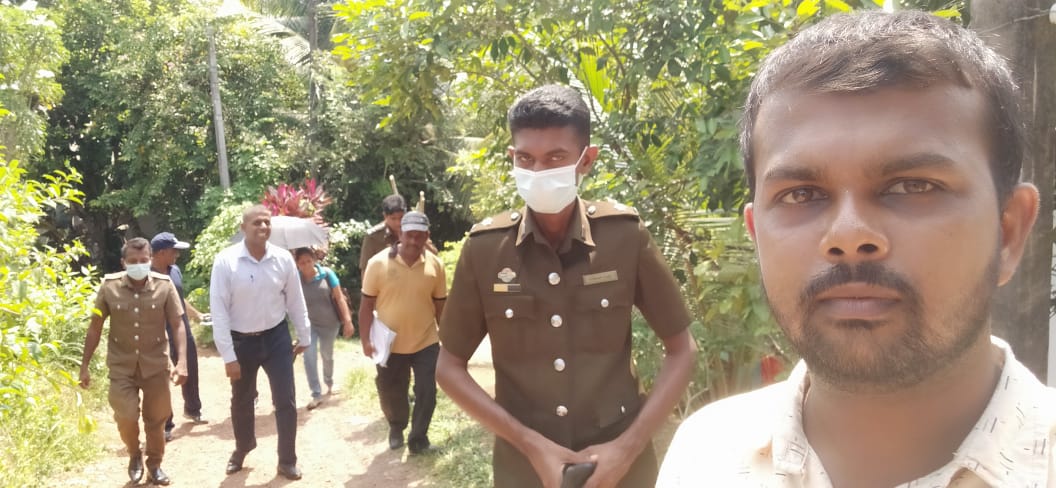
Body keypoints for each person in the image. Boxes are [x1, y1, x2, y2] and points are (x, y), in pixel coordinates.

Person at [657, 10, 1055, 487]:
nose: (848, 235)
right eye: (800, 194)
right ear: (757, 235)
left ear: (1008, 232)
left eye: (912, 186)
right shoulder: (706, 456)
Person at [436, 84, 696, 488]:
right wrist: (528, 443)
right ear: (512, 159)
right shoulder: (486, 250)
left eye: (555, 158)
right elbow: (449, 368)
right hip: (524, 468)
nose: (538, 172)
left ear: (586, 160)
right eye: (526, 158)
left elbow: (682, 350)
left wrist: (627, 449)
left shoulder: (624, 237)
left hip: (621, 468)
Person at [209, 204, 311, 481]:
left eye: (267, 222)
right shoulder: (226, 261)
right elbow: (218, 311)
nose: (263, 227)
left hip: (276, 338)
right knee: (242, 400)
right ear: (244, 228)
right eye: (257, 223)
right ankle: (243, 448)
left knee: (286, 400)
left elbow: (295, 300)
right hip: (241, 342)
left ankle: (287, 460)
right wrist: (228, 356)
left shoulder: (282, 259)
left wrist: (304, 335)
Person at [78, 237, 188, 485]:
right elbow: (95, 328)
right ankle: (134, 454)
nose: (138, 265)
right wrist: (84, 365)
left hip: (156, 365)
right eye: (132, 261)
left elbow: (178, 324)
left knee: (156, 419)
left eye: (143, 260)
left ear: (150, 260)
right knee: (125, 416)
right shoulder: (109, 287)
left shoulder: (164, 285)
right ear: (123, 262)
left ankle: (155, 464)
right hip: (121, 366)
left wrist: (181, 362)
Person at [359, 211, 447, 454]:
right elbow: (366, 305)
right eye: (409, 235)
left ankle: (419, 439)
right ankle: (396, 426)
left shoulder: (436, 266)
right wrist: (366, 339)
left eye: (419, 236)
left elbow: (441, 306)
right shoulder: (377, 263)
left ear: (426, 236)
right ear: (400, 234)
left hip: (426, 341)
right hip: (389, 343)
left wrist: (448, 341)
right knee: (391, 391)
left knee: (426, 392)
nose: (413, 241)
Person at [150, 231, 208, 442]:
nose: (177, 255)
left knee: (189, 368)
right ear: (162, 252)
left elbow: (179, 300)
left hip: (181, 329)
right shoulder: (146, 276)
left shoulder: (174, 271)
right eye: (174, 251)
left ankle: (193, 409)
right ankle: (166, 423)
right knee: (161, 378)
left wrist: (197, 315)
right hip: (157, 332)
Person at [293, 247, 355, 409]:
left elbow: (340, 298)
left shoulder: (327, 274)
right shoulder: (295, 279)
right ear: (297, 264)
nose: (306, 265)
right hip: (309, 325)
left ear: (314, 260)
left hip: (330, 324)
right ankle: (316, 393)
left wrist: (348, 321)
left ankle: (329, 381)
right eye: (301, 262)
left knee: (327, 354)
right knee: (309, 357)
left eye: (308, 261)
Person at [358, 194, 407, 278]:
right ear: (385, 216)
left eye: (401, 218)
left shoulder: (413, 232)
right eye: (393, 218)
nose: (398, 223)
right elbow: (366, 269)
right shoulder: (373, 236)